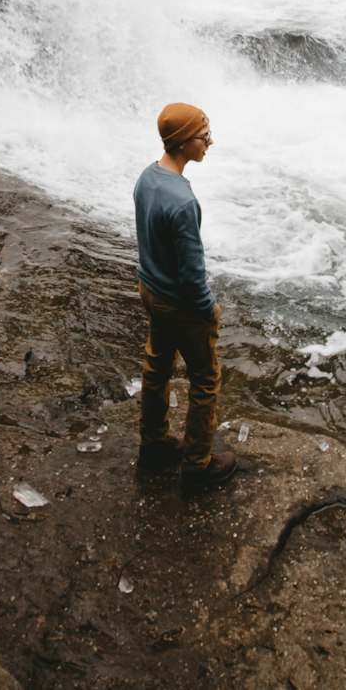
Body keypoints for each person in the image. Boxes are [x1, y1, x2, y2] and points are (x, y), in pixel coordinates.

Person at [133, 101, 236, 495]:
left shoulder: (147, 178)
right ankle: (197, 464)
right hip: (180, 303)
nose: (209, 142)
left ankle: (154, 444)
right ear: (181, 143)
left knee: (156, 369)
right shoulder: (183, 202)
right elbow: (193, 275)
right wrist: (209, 308)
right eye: (203, 135)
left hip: (151, 290)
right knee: (205, 379)